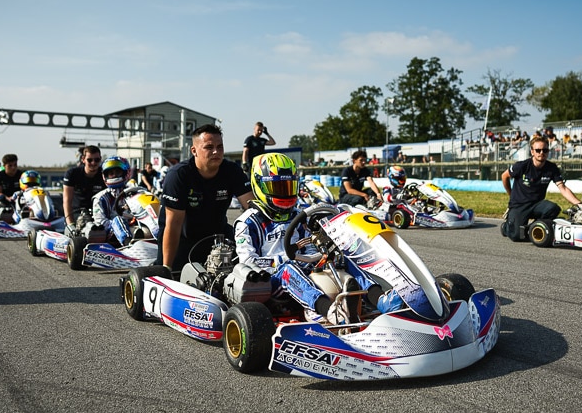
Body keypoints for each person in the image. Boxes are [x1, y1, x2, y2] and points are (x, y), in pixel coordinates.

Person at [234, 152, 387, 323]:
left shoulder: (300, 216)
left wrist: (322, 255)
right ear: (260, 186)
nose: (284, 194)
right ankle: (329, 311)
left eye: (288, 187)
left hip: (306, 268)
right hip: (273, 280)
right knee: (288, 270)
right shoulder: (248, 222)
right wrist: (284, 260)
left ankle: (379, 298)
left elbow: (311, 246)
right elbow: (247, 260)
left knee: (344, 257)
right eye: (278, 188)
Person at [158, 124, 254, 272]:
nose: (216, 152)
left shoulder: (232, 171)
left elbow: (253, 210)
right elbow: (173, 225)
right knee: (171, 276)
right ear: (194, 151)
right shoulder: (178, 176)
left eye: (220, 147)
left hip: (218, 238)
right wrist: (166, 269)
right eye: (209, 147)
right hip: (182, 239)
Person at [500, 137, 582, 241]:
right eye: (538, 150)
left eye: (545, 150)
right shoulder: (522, 166)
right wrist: (511, 195)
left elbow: (563, 188)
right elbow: (504, 176)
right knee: (517, 236)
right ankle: (507, 227)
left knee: (553, 208)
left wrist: (579, 204)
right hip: (519, 205)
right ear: (532, 152)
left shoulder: (552, 168)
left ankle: (533, 227)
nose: (541, 153)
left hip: (537, 204)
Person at [91, 157, 137, 246]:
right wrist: (124, 223)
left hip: (136, 226)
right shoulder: (100, 198)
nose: (115, 175)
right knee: (118, 220)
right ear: (105, 176)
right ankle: (128, 244)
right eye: (111, 173)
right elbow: (100, 222)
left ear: (125, 173)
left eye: (117, 172)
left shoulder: (134, 192)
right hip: (111, 233)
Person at [62, 146, 106, 233]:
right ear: (83, 159)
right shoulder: (72, 174)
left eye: (96, 160)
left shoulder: (105, 174)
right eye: (90, 160)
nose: (93, 163)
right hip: (77, 214)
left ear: (100, 159)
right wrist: (70, 225)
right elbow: (67, 201)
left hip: (99, 214)